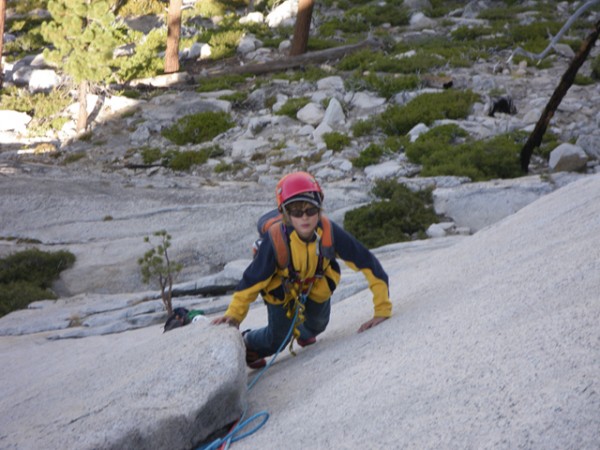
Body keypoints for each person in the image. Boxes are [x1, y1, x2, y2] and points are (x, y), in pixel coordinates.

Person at [212, 171, 392, 368]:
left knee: (318, 326)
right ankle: (250, 343)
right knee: (278, 338)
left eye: (311, 210)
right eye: (297, 211)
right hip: (281, 289)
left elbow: (368, 264)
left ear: (319, 209)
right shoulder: (276, 240)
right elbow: (252, 281)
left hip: (315, 284)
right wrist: (234, 316)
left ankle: (303, 334)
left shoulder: (329, 233)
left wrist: (381, 310)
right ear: (285, 213)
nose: (305, 217)